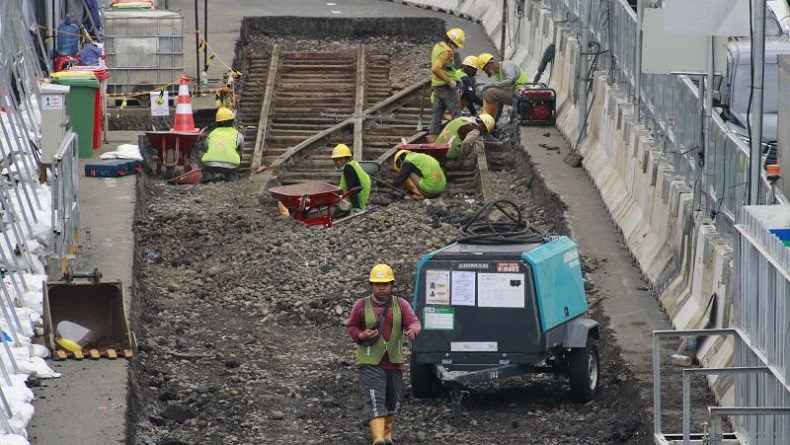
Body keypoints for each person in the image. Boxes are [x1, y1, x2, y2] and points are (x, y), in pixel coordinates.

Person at [346, 264, 421, 445]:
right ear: (371, 285)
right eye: (377, 284)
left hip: (394, 361)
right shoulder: (361, 305)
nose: (381, 288)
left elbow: (414, 322)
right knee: (375, 398)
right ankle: (378, 438)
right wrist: (361, 335)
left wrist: (413, 331)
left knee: (391, 401)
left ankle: (387, 435)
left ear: (391, 284)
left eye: (385, 284)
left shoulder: (401, 304)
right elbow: (351, 326)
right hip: (370, 361)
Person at [428, 28, 466, 140]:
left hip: (437, 87)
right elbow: (435, 68)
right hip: (446, 88)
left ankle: (432, 139)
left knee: (437, 114)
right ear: (450, 42)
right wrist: (449, 81)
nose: (456, 48)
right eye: (456, 45)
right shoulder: (445, 52)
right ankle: (457, 138)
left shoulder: (438, 46)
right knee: (456, 113)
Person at [477, 52, 530, 120]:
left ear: (488, 65)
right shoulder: (498, 75)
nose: (486, 73)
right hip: (517, 94)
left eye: (485, 70)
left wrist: (493, 84)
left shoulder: (506, 65)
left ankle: (486, 119)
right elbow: (500, 97)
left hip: (521, 94)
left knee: (490, 93)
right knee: (494, 93)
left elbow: (511, 80)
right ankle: (492, 120)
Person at [201, 107, 244, 182]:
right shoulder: (238, 135)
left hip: (210, 165)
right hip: (231, 166)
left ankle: (208, 174)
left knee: (201, 152)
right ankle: (231, 174)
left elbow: (205, 147)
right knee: (238, 151)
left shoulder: (212, 133)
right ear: (232, 121)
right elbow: (241, 150)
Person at [330, 143, 371, 213]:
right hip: (362, 201)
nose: (338, 162)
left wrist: (356, 207)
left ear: (347, 158)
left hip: (359, 203)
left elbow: (352, 188)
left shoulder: (348, 168)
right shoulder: (354, 165)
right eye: (335, 160)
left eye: (341, 159)